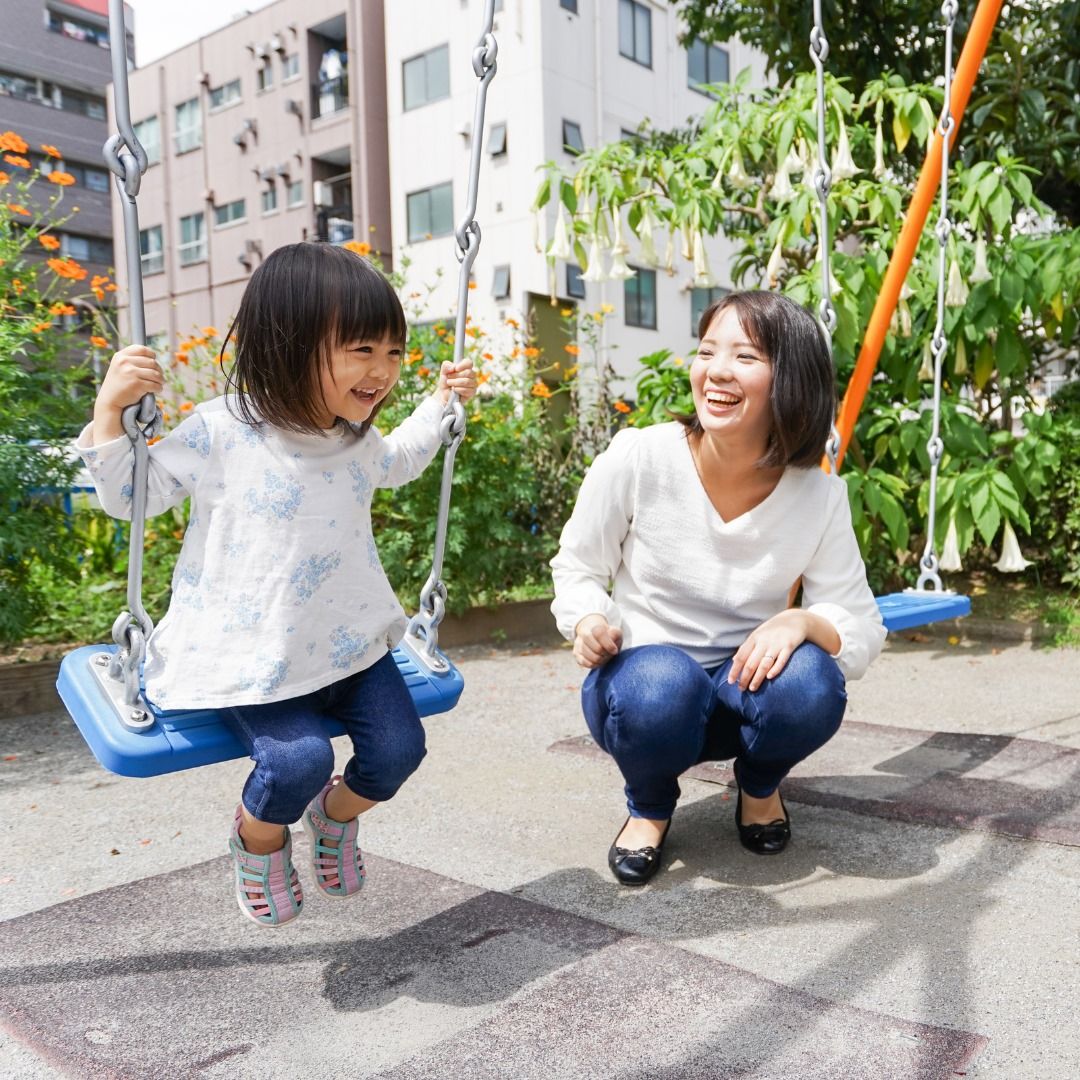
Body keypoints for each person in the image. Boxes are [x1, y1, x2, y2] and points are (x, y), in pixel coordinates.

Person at [76, 242, 477, 925]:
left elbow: (405, 457)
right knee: (296, 761)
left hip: (350, 643)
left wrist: (441, 402)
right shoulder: (221, 431)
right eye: (361, 350)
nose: (382, 372)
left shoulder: (354, 439)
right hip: (252, 650)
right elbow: (131, 496)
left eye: (393, 352)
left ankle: (334, 816)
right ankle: (258, 841)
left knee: (399, 750)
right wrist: (111, 411)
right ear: (289, 345)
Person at [551, 290, 885, 886]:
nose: (717, 370)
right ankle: (649, 806)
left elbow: (860, 623)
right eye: (708, 350)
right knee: (661, 682)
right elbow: (576, 567)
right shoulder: (639, 457)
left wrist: (801, 622)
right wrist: (586, 621)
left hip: (742, 693)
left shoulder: (819, 494)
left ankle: (758, 788)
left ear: (793, 381)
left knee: (813, 682)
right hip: (643, 696)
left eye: (746, 357)